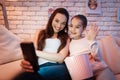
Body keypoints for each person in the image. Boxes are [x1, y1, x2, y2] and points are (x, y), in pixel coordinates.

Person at [13, 8, 71, 80]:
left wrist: (35, 52)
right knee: (23, 76)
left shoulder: (66, 37)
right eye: (57, 21)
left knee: (64, 70)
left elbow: (60, 58)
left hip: (56, 67)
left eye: (63, 23)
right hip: (39, 66)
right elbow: (32, 54)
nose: (59, 26)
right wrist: (26, 61)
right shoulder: (40, 33)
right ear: (51, 19)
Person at [67, 14, 116, 80]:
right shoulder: (69, 42)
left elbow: (98, 57)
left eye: (77, 27)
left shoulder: (89, 39)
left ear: (84, 28)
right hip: (82, 73)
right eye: (71, 26)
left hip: (98, 69)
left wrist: (92, 41)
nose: (73, 29)